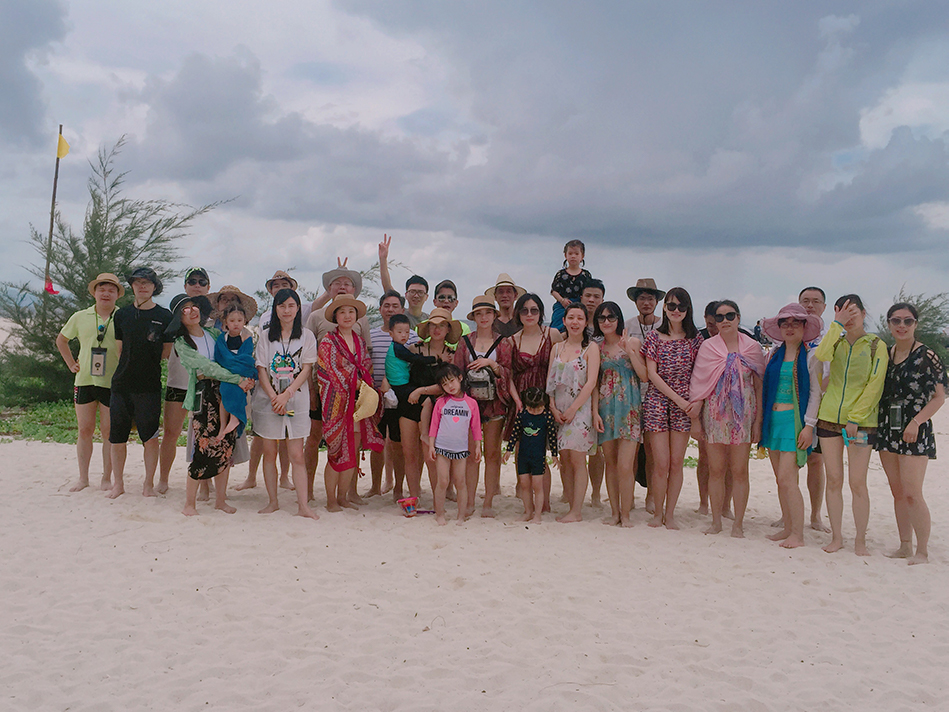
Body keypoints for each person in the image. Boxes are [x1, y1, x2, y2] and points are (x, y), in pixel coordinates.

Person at [167, 294, 254, 516]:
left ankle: (220, 500)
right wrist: (238, 379)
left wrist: (245, 377)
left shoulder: (214, 334)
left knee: (226, 446)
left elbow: (233, 355)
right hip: (204, 394)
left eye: (194, 306)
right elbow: (206, 367)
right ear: (179, 317)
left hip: (227, 392)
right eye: (185, 309)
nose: (192, 311)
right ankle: (189, 503)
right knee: (203, 447)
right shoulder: (182, 343)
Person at [813, 294, 887, 555]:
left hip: (862, 423)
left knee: (857, 482)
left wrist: (855, 417)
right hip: (829, 417)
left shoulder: (876, 345)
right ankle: (837, 537)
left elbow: (875, 385)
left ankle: (860, 540)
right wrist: (836, 324)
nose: (850, 317)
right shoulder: (836, 341)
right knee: (833, 479)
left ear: (864, 314)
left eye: (853, 311)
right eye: (844, 312)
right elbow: (821, 355)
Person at [877, 303, 946, 565]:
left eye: (908, 321)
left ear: (916, 324)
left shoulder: (927, 356)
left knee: (912, 493)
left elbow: (939, 397)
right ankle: (905, 545)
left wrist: (916, 422)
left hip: (915, 429)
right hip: (888, 427)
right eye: (896, 320)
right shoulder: (886, 353)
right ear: (889, 324)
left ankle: (922, 551)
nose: (902, 326)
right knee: (897, 492)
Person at [690, 300, 765, 537]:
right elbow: (699, 385)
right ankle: (716, 521)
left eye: (730, 315)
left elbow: (759, 386)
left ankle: (738, 523)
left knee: (740, 470)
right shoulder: (708, 347)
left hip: (744, 415)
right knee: (716, 469)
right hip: (714, 415)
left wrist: (758, 421)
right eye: (720, 317)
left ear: (738, 317)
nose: (725, 321)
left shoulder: (752, 347)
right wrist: (695, 421)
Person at [758, 304, 823, 548]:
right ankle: (787, 527)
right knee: (780, 480)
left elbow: (815, 393)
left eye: (796, 323)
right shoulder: (775, 355)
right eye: (785, 323)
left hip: (794, 422)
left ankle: (798, 533)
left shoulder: (811, 356)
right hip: (773, 422)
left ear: (805, 327)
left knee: (788, 479)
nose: (790, 327)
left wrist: (809, 426)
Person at [252, 288, 320, 519]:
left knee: (296, 454)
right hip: (268, 401)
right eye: (282, 306)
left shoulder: (307, 336)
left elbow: (306, 369)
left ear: (298, 308)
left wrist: (287, 394)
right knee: (269, 452)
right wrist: (274, 396)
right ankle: (273, 502)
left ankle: (303, 505)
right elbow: (261, 368)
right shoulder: (265, 336)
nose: (287, 310)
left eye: (291, 305)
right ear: (275, 309)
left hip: (296, 401)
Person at [107, 267, 174, 499]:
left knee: (150, 438)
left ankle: (148, 484)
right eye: (138, 282)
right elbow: (120, 349)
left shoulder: (165, 316)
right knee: (117, 438)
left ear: (155, 286)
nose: (142, 286)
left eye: (147, 282)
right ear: (132, 286)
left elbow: (166, 351)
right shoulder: (121, 315)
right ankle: (118, 484)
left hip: (149, 386)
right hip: (121, 385)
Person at [642, 287, 703, 529]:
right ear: (664, 308)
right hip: (659, 402)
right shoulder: (654, 337)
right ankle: (657, 513)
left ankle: (670, 514)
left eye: (681, 306)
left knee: (677, 462)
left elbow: (701, 373)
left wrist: (695, 403)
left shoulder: (695, 339)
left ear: (688, 309)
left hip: (686, 405)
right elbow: (652, 374)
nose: (676, 310)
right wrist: (678, 400)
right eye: (671, 305)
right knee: (661, 463)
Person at [317, 294, 384, 511]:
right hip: (337, 404)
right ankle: (331, 500)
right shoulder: (328, 341)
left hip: (357, 403)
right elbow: (329, 371)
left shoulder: (359, 341)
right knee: (336, 451)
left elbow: (366, 366)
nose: (347, 316)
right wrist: (355, 380)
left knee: (352, 451)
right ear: (335, 316)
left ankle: (343, 497)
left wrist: (363, 384)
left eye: (351, 312)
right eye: (342, 312)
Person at [497, 293, 564, 511]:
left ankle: (544, 503)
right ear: (518, 313)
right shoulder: (511, 340)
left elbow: (563, 363)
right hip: (522, 400)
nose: (529, 314)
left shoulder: (552, 334)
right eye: (525, 310)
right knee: (522, 449)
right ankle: (526, 497)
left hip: (546, 397)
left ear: (541, 313)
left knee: (541, 451)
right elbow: (508, 374)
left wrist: (554, 400)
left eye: (534, 310)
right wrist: (517, 401)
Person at [56, 272, 122, 492]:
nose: (106, 294)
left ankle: (106, 478)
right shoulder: (80, 316)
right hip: (84, 380)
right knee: (85, 429)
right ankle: (83, 478)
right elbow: (62, 340)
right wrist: (70, 363)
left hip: (112, 382)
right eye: (102, 289)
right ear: (94, 292)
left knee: (108, 431)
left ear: (117, 295)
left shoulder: (122, 317)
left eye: (111, 290)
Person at [239, 271, 303, 493]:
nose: (280, 287)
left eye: (284, 284)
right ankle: (251, 476)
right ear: (270, 290)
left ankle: (284, 476)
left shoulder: (299, 311)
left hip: (290, 387)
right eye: (276, 285)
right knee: (260, 435)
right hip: (266, 385)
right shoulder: (265, 317)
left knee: (286, 436)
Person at [592, 301, 647, 527]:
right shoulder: (597, 348)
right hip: (606, 409)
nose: (606, 322)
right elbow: (594, 384)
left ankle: (626, 514)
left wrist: (629, 351)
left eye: (611, 317)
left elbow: (644, 375)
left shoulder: (633, 342)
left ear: (619, 319)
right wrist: (594, 412)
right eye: (602, 318)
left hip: (629, 409)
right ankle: (615, 513)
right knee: (611, 464)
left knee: (625, 466)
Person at [454, 296, 509, 517]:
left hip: (495, 404)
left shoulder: (504, 342)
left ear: (494, 315)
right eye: (479, 313)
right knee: (471, 454)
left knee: (492, 454)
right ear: (474, 317)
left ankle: (488, 502)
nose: (484, 317)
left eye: (487, 313)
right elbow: (457, 372)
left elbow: (509, 371)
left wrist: (491, 364)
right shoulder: (464, 341)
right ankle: (469, 501)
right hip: (469, 405)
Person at [159, 267, 212, 495]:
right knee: (171, 433)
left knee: (205, 435)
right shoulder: (172, 319)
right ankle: (163, 479)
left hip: (205, 385)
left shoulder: (213, 322)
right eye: (192, 281)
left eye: (202, 281)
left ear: (208, 287)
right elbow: (162, 352)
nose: (197, 285)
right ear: (185, 286)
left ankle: (206, 481)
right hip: (178, 383)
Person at [546, 303, 600, 523]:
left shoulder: (591, 348)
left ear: (586, 322)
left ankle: (576, 510)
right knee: (564, 459)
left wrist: (572, 409)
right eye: (571, 318)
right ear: (564, 321)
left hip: (580, 410)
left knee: (577, 459)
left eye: (579, 318)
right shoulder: (557, 348)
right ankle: (570, 504)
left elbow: (591, 382)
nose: (575, 322)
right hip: (558, 410)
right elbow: (550, 381)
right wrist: (552, 407)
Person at [384, 313, 440, 500]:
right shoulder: (400, 348)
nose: (404, 335)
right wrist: (433, 359)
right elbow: (414, 359)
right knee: (426, 401)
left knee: (426, 457)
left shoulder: (402, 347)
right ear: (391, 333)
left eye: (407, 332)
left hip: (403, 388)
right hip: (402, 389)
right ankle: (424, 433)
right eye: (400, 332)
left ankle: (434, 497)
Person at [368, 290, 417, 498]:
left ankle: (398, 488)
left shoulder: (411, 335)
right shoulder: (371, 335)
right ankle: (375, 486)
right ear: (380, 309)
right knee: (376, 444)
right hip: (377, 396)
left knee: (398, 444)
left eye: (395, 306)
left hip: (401, 397)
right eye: (386, 306)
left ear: (402, 310)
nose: (390, 309)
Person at [625, 277, 665, 511]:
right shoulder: (628, 325)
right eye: (642, 298)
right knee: (631, 450)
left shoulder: (664, 326)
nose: (646, 302)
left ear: (657, 301)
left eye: (650, 298)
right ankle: (628, 495)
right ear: (635, 301)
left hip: (656, 395)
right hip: (631, 393)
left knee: (651, 450)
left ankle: (651, 496)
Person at [427, 363, 482, 525]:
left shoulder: (471, 403)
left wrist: (478, 446)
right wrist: (431, 445)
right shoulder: (441, 402)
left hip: (461, 449)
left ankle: (461, 515)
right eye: (445, 384)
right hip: (442, 447)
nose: (450, 386)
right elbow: (434, 425)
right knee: (443, 481)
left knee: (460, 482)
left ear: (460, 378)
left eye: (451, 381)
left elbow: (476, 427)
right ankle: (439, 514)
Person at [796, 286, 831, 533]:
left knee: (816, 461)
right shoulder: (789, 335)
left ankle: (816, 515)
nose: (810, 305)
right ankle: (788, 512)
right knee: (788, 462)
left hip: (821, 407)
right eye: (805, 301)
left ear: (824, 307)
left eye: (815, 301)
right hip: (791, 405)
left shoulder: (830, 339)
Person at [504, 387, 559, 523]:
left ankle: (538, 514)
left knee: (537, 486)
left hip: (538, 457)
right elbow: (515, 433)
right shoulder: (522, 415)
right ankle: (528, 511)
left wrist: (554, 455)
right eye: (531, 408)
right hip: (523, 455)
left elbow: (552, 437)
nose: (534, 412)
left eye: (538, 408)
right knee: (524, 485)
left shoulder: (546, 416)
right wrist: (509, 450)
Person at [212, 304, 257, 443]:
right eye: (232, 320)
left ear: (244, 321)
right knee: (224, 392)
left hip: (242, 374)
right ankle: (223, 426)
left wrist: (236, 367)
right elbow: (221, 357)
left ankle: (234, 418)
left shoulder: (247, 338)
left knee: (235, 389)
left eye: (239, 320)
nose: (236, 324)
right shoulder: (222, 339)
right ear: (225, 321)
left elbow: (247, 359)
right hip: (227, 374)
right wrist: (232, 366)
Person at [377, 233, 430, 328]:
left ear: (426, 297)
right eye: (412, 291)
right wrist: (383, 259)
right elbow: (387, 287)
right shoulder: (399, 315)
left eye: (420, 292)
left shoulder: (430, 321)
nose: (416, 295)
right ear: (406, 294)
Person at [550, 239, 592, 332]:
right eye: (570, 253)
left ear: (582, 256)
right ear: (565, 255)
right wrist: (562, 301)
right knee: (556, 329)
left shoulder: (586, 275)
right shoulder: (561, 274)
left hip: (580, 306)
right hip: (562, 306)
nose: (573, 256)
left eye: (576, 254)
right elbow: (554, 291)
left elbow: (589, 291)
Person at [485, 273, 526, 338]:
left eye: (508, 291)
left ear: (515, 295)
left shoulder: (523, 320)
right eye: (501, 292)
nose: (504, 295)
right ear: (495, 296)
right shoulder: (490, 323)